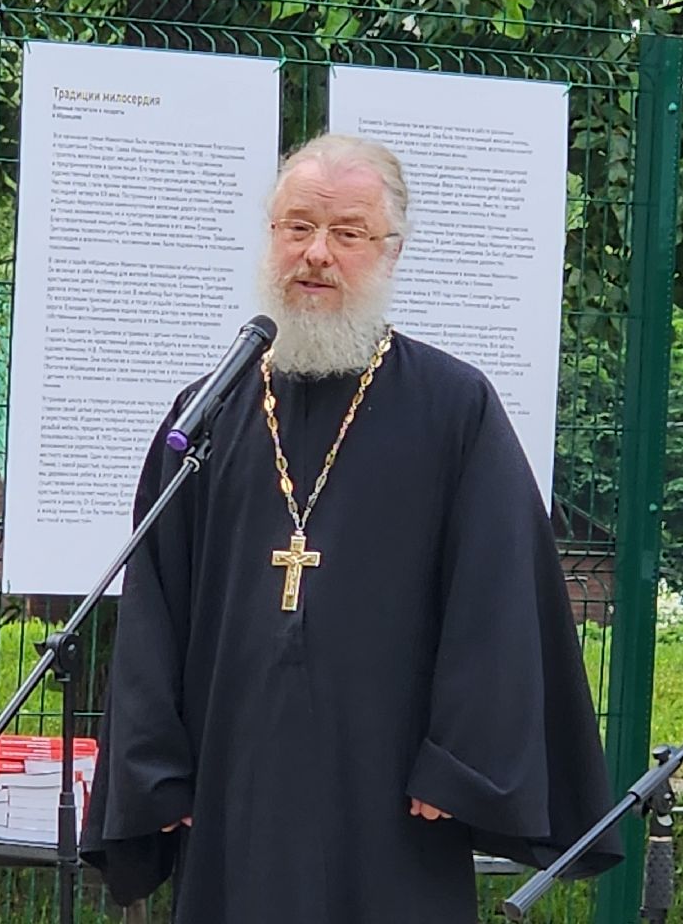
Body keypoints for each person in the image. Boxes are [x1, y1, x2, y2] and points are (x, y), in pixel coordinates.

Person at [81, 134, 622, 921]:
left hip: (393, 800)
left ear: (392, 251)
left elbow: (499, 596)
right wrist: (154, 770)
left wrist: (460, 763)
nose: (317, 255)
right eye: (297, 227)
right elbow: (154, 598)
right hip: (237, 792)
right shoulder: (212, 411)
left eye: (348, 233)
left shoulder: (454, 409)